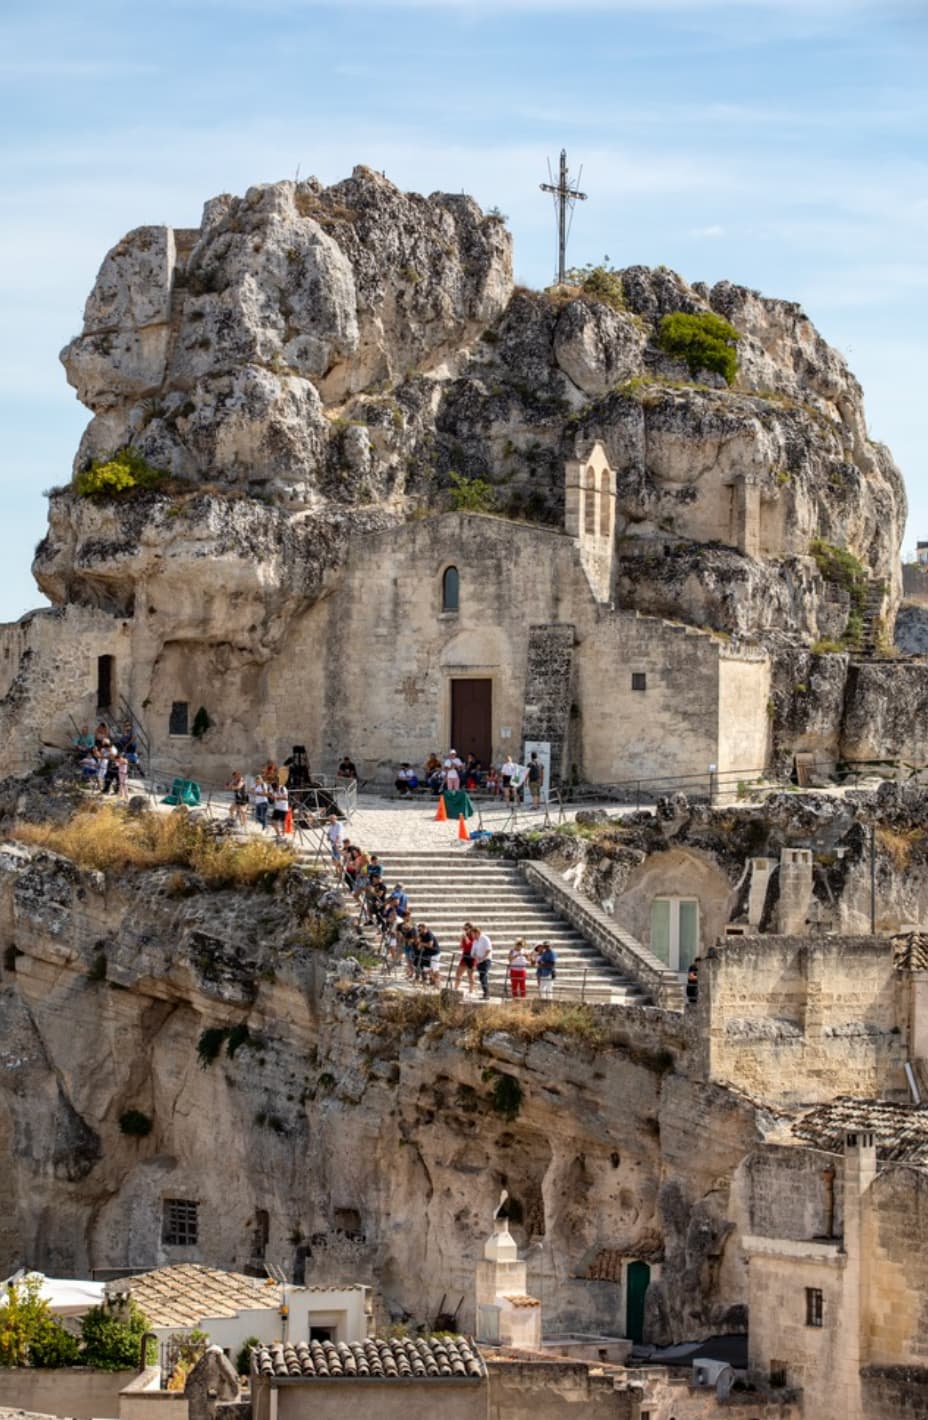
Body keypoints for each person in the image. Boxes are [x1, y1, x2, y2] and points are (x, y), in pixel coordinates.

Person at [471, 926, 493, 1000]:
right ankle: (485, 993)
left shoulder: (485, 938)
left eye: (473, 934)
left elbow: (488, 950)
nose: (472, 936)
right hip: (479, 961)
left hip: (486, 960)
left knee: (483, 976)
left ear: (477, 933)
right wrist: (476, 957)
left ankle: (486, 994)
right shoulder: (475, 941)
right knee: (481, 977)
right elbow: (472, 953)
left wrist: (483, 958)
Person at [455, 922, 477, 994]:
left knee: (470, 974)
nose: (465, 930)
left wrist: (465, 937)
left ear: (470, 929)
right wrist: (461, 939)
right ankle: (456, 988)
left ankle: (471, 991)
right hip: (465, 955)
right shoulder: (465, 935)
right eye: (464, 929)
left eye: (466, 929)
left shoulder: (473, 935)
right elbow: (461, 946)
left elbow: (470, 945)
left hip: (471, 956)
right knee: (458, 973)